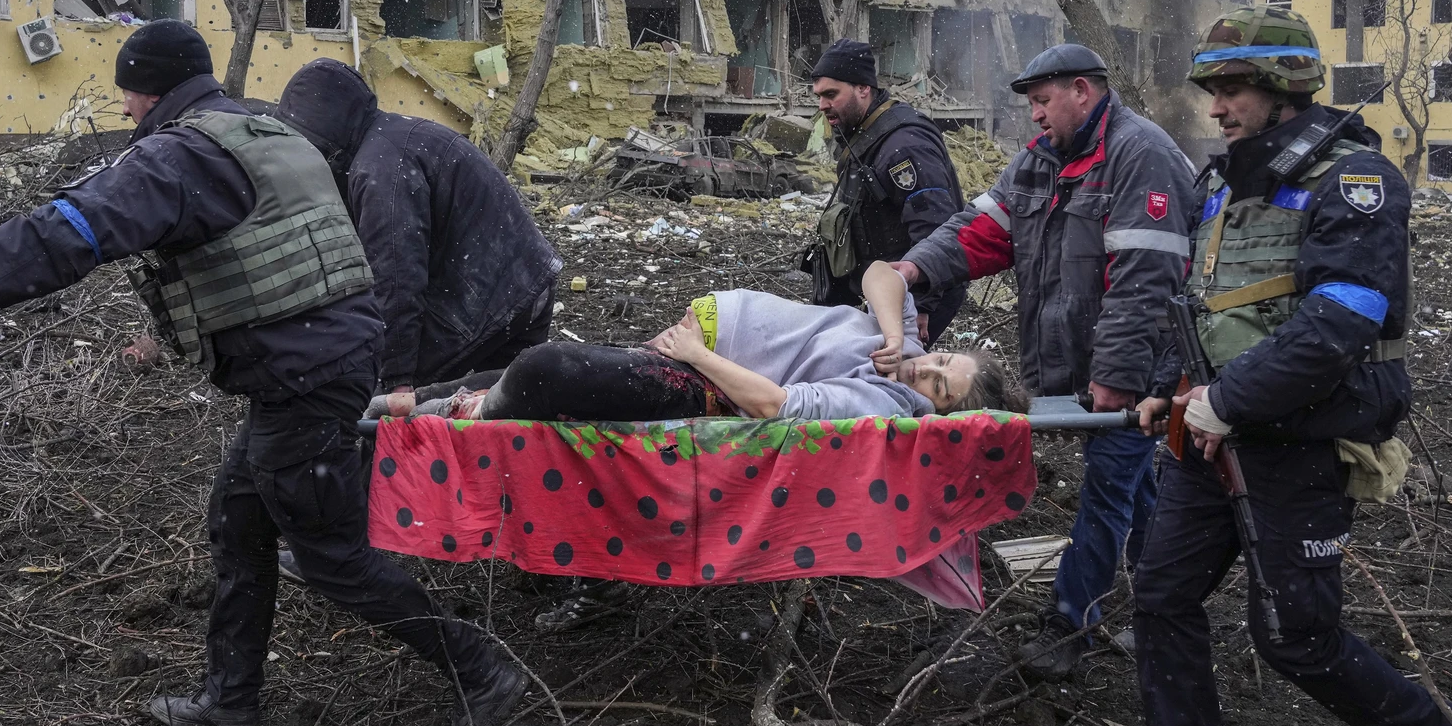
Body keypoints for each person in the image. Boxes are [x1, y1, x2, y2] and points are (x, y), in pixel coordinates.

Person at [0, 20, 527, 726]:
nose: (123, 110)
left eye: (126, 93)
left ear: (146, 90)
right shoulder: (258, 125)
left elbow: (63, 234)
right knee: (238, 520)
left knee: (330, 554)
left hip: (305, 372)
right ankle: (229, 698)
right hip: (321, 359)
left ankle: (483, 671)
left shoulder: (179, 157)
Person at [1131, 6, 1452, 726]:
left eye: (1233, 87)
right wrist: (1162, 386)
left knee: (1296, 637)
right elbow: (1202, 301)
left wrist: (1228, 400)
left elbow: (1344, 319)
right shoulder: (1223, 185)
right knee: (1161, 595)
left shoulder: (1355, 180)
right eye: (1214, 88)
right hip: (1207, 437)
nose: (1217, 105)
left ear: (1283, 86)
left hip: (1298, 443)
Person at [892, 44, 1192, 676]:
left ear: (1082, 91)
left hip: (1136, 366)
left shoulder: (1143, 156)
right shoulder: (1038, 163)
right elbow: (979, 231)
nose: (1033, 116)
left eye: (1042, 102)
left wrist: (1116, 375)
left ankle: (1070, 624)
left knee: (1110, 486)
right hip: (1076, 363)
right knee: (1132, 485)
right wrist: (914, 268)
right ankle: (1168, 602)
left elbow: (1145, 280)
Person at [383, 262, 1025, 424]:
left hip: (707, 380)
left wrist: (697, 354)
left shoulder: (884, 407)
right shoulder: (902, 346)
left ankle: (437, 415)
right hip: (702, 341)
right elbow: (882, 273)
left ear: (938, 413)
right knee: (537, 371)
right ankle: (402, 400)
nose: (925, 373)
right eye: (941, 362)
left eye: (939, 388)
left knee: (541, 370)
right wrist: (894, 333)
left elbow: (776, 404)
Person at [275, 59, 561, 396]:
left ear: (324, 139)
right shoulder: (390, 138)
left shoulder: (379, 169)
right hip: (524, 282)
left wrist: (395, 380)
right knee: (502, 413)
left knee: (378, 397)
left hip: (495, 298)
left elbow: (396, 276)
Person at [803, 39, 967, 343]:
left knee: (893, 376)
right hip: (883, 286)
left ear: (864, 88)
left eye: (831, 95)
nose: (822, 105)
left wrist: (920, 303)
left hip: (915, 291)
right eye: (819, 96)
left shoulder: (904, 146)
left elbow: (935, 228)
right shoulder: (864, 134)